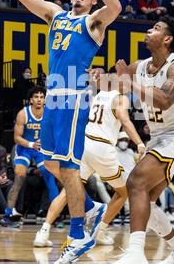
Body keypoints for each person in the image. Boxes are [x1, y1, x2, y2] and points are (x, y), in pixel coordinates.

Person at [14, 0, 121, 264]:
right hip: (54, 94)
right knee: (48, 162)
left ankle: (78, 234)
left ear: (92, 2)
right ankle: (91, 208)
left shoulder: (93, 23)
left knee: (70, 168)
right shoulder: (55, 15)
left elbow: (116, 6)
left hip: (73, 96)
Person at [98, 16, 174, 264]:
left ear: (167, 39)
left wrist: (129, 81)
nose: (149, 30)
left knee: (135, 182)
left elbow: (164, 100)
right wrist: (96, 78)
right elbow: (113, 82)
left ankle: (135, 255)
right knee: (146, 198)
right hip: (160, 138)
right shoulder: (141, 66)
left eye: (156, 28)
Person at [34, 69, 145, 247]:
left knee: (69, 190)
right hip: (102, 148)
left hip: (84, 146)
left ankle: (43, 232)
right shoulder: (120, 97)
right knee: (125, 191)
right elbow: (125, 120)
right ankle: (100, 230)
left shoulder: (98, 95)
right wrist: (139, 143)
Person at [1, 87, 59, 227]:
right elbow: (16, 138)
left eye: (41, 97)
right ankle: (8, 214)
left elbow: (54, 134)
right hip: (25, 148)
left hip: (40, 149)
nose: (39, 99)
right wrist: (31, 144)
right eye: (36, 97)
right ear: (31, 100)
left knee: (49, 176)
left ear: (45, 99)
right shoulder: (23, 113)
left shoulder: (49, 113)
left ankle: (55, 217)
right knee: (20, 176)